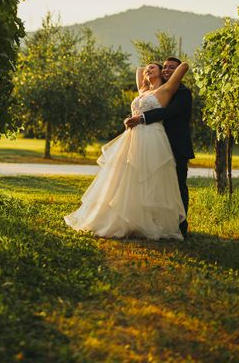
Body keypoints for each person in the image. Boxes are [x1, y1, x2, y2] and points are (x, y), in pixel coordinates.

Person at [64, 62, 188, 240]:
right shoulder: (143, 92)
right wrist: (149, 71)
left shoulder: (165, 90)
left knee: (148, 178)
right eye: (149, 68)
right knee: (127, 177)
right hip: (132, 137)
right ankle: (128, 220)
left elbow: (184, 66)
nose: (148, 70)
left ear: (162, 73)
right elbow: (139, 70)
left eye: (153, 68)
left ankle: (150, 222)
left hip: (152, 137)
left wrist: (167, 70)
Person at [124, 57, 194, 238]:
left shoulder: (182, 92)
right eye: (165, 67)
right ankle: (152, 221)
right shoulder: (151, 90)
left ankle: (180, 226)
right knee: (150, 183)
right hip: (152, 143)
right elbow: (140, 70)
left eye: (172, 68)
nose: (167, 70)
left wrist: (142, 118)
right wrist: (151, 70)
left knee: (177, 186)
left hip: (176, 145)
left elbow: (168, 112)